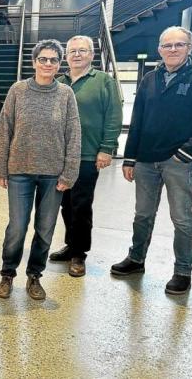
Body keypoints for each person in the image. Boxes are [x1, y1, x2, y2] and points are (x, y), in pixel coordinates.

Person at [111, 26, 192, 295]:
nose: (172, 50)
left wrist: (187, 153)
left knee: (181, 218)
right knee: (143, 214)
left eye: (179, 45)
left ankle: (182, 271)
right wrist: (130, 157)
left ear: (190, 48)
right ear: (159, 49)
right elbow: (138, 120)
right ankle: (136, 258)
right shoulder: (149, 80)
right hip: (145, 160)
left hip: (179, 162)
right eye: (167, 45)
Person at [0, 39, 81, 300]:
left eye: (53, 60)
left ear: (59, 64)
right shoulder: (18, 91)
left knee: (45, 229)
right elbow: (4, 129)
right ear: (34, 62)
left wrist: (69, 173)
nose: (48, 64)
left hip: (53, 175)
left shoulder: (66, 94)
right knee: (17, 227)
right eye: (43, 59)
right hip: (19, 170)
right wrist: (0, 167)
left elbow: (74, 134)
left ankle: (34, 276)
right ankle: (7, 274)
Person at [49, 36, 123, 277]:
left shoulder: (104, 82)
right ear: (66, 56)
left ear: (92, 55)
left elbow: (113, 117)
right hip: (59, 157)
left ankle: (80, 253)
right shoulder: (58, 82)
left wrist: (106, 148)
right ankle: (71, 245)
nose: (77, 55)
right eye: (72, 51)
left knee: (81, 205)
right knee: (65, 205)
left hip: (88, 155)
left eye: (82, 51)